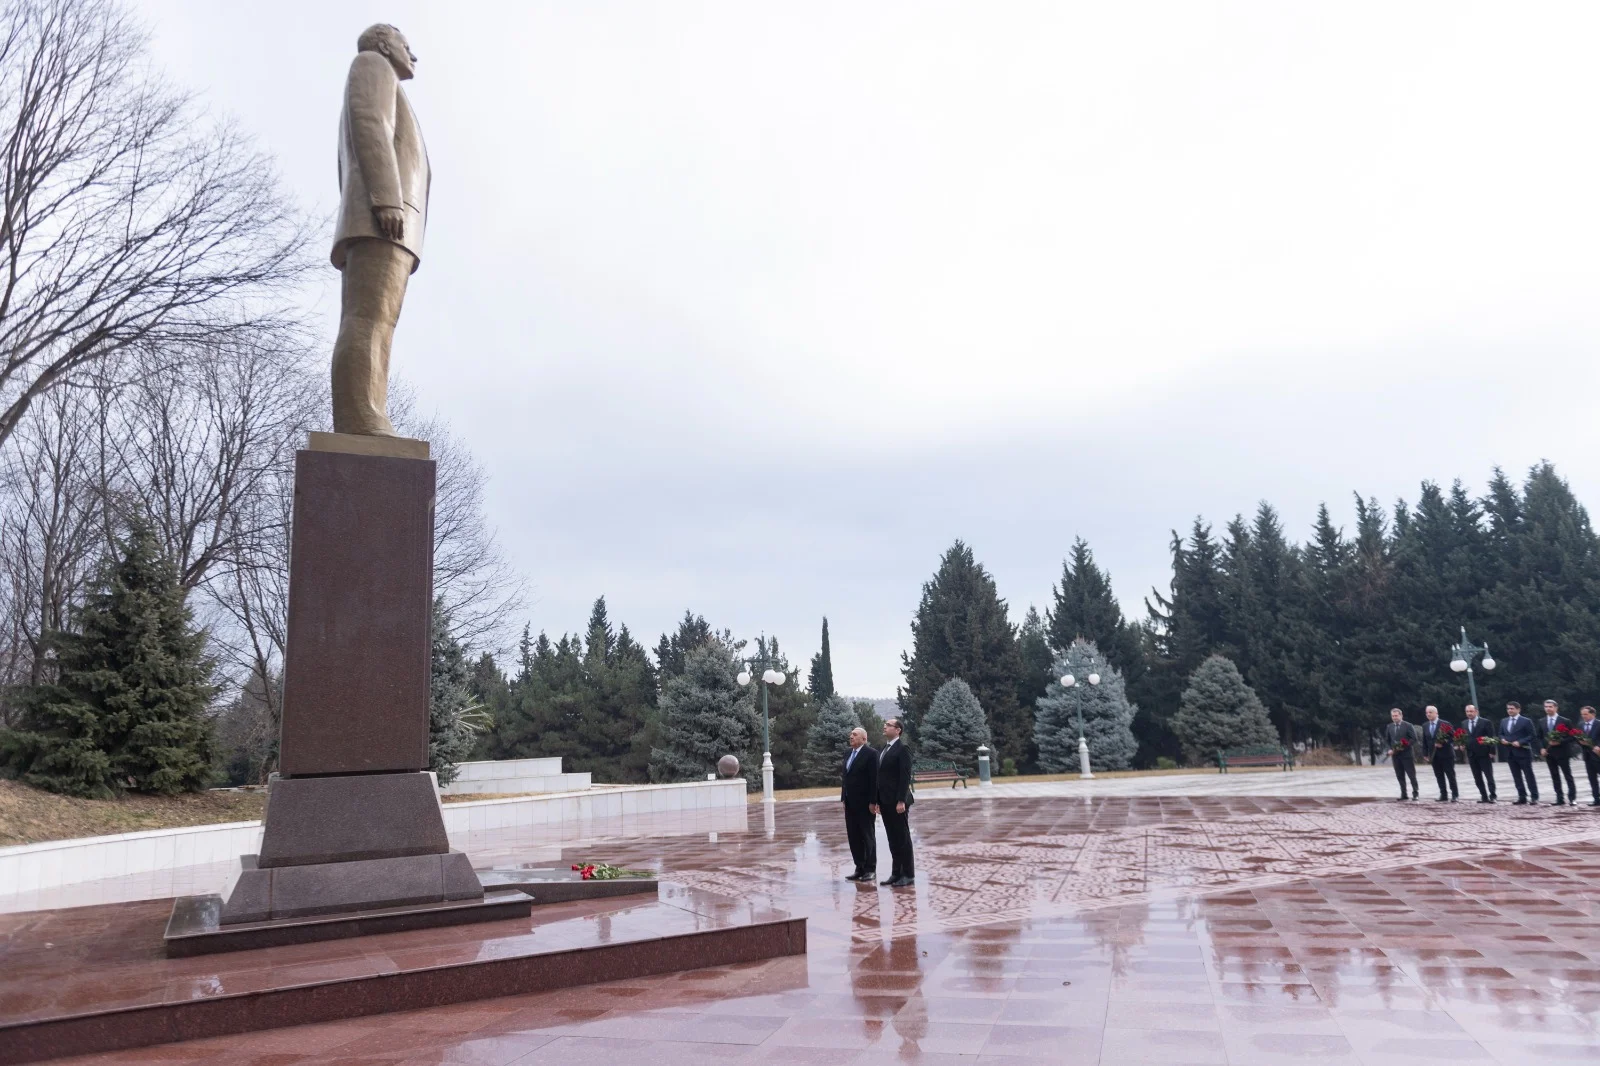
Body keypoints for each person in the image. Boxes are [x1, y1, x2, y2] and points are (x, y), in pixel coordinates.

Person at [871, 717, 915, 887]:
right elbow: (880, 777)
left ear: (898, 730)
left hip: (898, 802)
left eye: (889, 725)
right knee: (893, 839)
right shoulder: (884, 749)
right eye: (885, 724)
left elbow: (904, 776)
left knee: (902, 838)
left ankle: (908, 874)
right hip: (886, 801)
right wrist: (877, 801)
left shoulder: (903, 748)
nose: (885, 726)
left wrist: (901, 800)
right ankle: (896, 873)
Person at [840, 727, 879, 881]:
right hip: (850, 802)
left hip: (865, 803)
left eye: (854, 734)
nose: (851, 736)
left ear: (864, 738)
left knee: (867, 835)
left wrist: (873, 801)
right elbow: (845, 778)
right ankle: (859, 867)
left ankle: (870, 869)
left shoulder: (871, 754)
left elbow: (874, 779)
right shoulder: (848, 753)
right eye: (850, 734)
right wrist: (844, 798)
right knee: (853, 836)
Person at [1538, 699, 1578, 806]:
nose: (1548, 708)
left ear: (1556, 707)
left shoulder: (1565, 721)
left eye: (1550, 706)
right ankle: (1559, 798)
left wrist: (1560, 742)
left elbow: (1573, 736)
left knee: (1567, 775)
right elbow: (1540, 737)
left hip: (1563, 753)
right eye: (1546, 707)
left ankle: (1572, 798)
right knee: (1554, 776)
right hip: (1549, 754)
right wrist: (1541, 748)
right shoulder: (1541, 721)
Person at [1498, 701, 1539, 804]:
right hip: (1510, 753)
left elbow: (1532, 735)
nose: (1510, 710)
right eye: (1508, 709)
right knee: (1516, 776)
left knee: (1528, 775)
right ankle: (1522, 796)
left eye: (1512, 708)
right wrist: (1502, 739)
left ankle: (1534, 796)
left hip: (1523, 752)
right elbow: (1501, 733)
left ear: (1518, 709)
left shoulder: (1526, 721)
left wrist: (1520, 742)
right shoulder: (1504, 721)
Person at [1459, 704, 1497, 803]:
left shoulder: (1485, 722)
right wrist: (1462, 744)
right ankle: (1483, 796)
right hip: (1471, 754)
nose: (1469, 713)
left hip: (1484, 753)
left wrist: (1492, 751)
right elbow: (1464, 737)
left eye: (1471, 711)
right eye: (1467, 711)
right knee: (1477, 776)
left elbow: (1491, 737)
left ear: (1476, 711)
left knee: (1489, 776)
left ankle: (1493, 795)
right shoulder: (1464, 723)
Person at [1419, 705, 1458, 802]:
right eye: (1427, 713)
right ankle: (1443, 794)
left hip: (1446, 754)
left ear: (1436, 713)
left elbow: (1453, 738)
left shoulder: (1445, 724)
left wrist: (1444, 743)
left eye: (1430, 712)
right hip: (1434, 755)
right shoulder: (1425, 725)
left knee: (1450, 775)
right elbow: (1425, 741)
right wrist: (1425, 753)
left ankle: (1455, 794)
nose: (1428, 714)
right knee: (1439, 775)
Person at [1384, 708, 1419, 801]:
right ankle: (1404, 794)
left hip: (1407, 755)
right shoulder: (1389, 727)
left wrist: (1404, 746)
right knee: (1399, 775)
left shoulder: (1408, 725)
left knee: (1411, 775)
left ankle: (1415, 793)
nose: (1394, 717)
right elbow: (1387, 740)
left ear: (1401, 715)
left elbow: (1413, 738)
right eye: (1393, 716)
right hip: (1395, 756)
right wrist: (1389, 749)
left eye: (1396, 715)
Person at [1577, 706, 1600, 807]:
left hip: (1598, 754)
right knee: (1592, 778)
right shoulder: (1581, 725)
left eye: (1586, 714)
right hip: (1587, 756)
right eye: (1582, 714)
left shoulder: (1598, 724)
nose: (1583, 716)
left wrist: (1598, 746)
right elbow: (1577, 738)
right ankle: (1596, 799)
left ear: (1593, 714)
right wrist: (1580, 742)